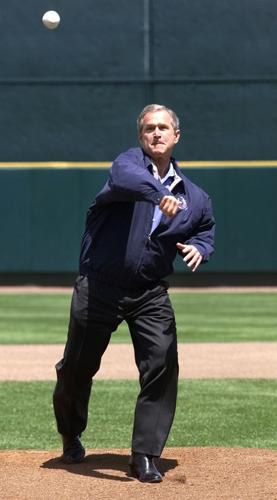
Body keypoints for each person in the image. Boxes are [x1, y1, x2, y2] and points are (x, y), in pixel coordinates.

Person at [53, 104, 215, 483]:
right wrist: (158, 193)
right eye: (148, 128)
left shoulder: (196, 196)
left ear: (176, 136)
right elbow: (127, 179)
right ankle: (70, 431)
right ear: (140, 136)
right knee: (77, 368)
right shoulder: (127, 168)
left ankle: (145, 455)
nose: (155, 133)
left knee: (161, 364)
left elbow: (204, 228)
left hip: (149, 292)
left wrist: (202, 249)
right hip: (100, 286)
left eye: (162, 128)